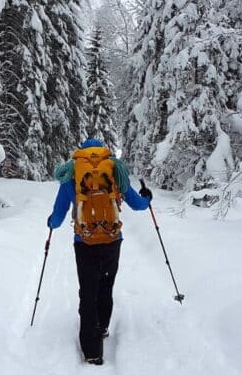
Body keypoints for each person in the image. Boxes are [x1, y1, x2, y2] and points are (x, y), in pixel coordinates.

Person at [47, 139, 152, 365]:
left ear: (81, 152)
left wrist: (51, 224)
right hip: (113, 240)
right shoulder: (115, 170)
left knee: (88, 290)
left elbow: (58, 215)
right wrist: (147, 197)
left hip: (84, 242)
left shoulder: (72, 173)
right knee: (105, 285)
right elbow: (139, 205)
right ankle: (102, 326)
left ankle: (92, 350)